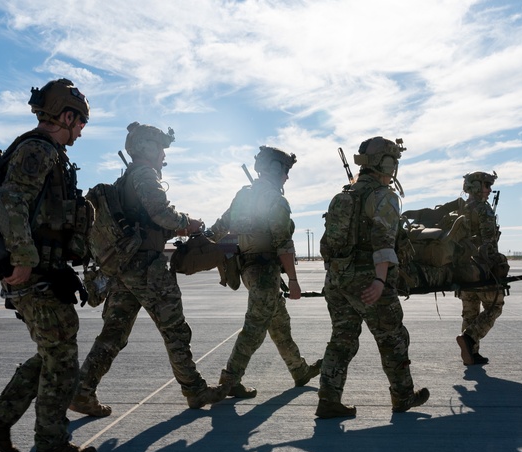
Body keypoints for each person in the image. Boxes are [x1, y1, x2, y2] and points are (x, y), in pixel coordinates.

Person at [0, 78, 97, 452]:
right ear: (67, 116)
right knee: (63, 358)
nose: (81, 132)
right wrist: (23, 259)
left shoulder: (46, 152)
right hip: (33, 274)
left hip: (43, 271)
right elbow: (8, 200)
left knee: (53, 352)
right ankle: (51, 444)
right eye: (81, 124)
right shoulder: (37, 151)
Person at [68, 122, 225, 416]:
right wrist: (187, 223)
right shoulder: (144, 175)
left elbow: (146, 222)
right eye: (161, 148)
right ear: (148, 148)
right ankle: (194, 390)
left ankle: (82, 391)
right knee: (175, 329)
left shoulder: (124, 180)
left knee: (114, 333)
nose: (164, 156)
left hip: (122, 269)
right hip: (146, 268)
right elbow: (162, 213)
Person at [316, 136, 429, 418]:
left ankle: (329, 399)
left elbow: (325, 245)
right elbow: (383, 241)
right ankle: (403, 397)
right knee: (393, 338)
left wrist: (339, 274)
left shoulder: (342, 197)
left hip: (337, 281)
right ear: (387, 164)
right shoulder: (384, 197)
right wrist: (379, 281)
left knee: (342, 339)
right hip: (368, 282)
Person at [209, 146, 321, 399]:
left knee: (279, 323)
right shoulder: (276, 200)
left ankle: (299, 369)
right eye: (285, 170)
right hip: (265, 271)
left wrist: (202, 239)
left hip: (247, 268)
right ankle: (229, 381)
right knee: (255, 327)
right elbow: (284, 244)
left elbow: (222, 225)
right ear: (273, 169)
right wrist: (293, 281)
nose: (287, 177)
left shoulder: (244, 195)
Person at [453, 170, 505, 366]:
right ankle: (470, 337)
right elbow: (489, 241)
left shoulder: (461, 208)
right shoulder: (483, 209)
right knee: (495, 306)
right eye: (486, 185)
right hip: (482, 268)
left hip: (464, 269)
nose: (489, 190)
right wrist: (496, 266)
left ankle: (471, 354)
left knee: (470, 312)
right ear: (476, 186)